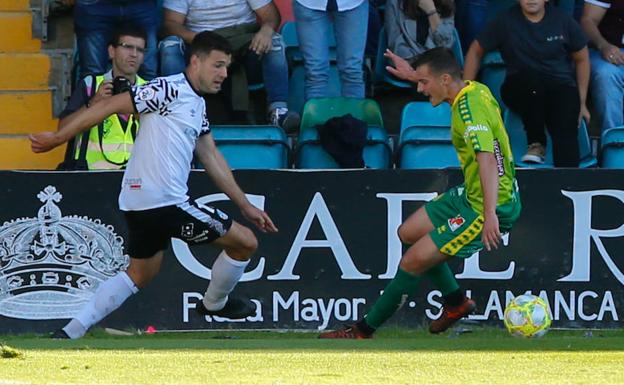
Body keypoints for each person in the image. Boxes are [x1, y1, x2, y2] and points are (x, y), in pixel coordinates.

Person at [30, 31, 279, 339]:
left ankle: (70, 332)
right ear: (195, 61)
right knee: (246, 243)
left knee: (139, 274)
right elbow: (112, 105)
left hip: (138, 203)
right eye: (217, 65)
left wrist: (244, 204)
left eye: (226, 67)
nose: (224, 75)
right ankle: (214, 303)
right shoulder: (166, 89)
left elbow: (210, 155)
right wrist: (57, 138)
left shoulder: (196, 105)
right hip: (165, 202)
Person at [319, 47, 521, 339]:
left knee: (412, 261)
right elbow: (442, 76)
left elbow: (487, 158)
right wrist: (416, 72)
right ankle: (456, 303)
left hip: (490, 203)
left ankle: (362, 330)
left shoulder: (469, 110)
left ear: (446, 79)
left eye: (424, 82)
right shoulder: (474, 89)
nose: (420, 89)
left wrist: (489, 214)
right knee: (408, 233)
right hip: (472, 193)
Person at [463, 0, 590, 167]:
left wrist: (581, 102)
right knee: (531, 80)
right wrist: (466, 91)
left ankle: (568, 178)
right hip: (520, 86)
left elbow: (582, 59)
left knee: (566, 109)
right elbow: (475, 51)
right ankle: (536, 144)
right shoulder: (504, 21)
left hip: (559, 87)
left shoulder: (563, 20)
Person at [159, 0, 300, 131]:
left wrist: (266, 31)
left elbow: (271, 16)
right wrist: (203, 41)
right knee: (170, 46)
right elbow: (171, 24)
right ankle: (178, 114)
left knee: (274, 41)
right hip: (200, 45)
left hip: (244, 44)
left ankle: (278, 112)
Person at [59, 24, 148, 170]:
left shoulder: (150, 90)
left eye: (140, 49)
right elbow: (63, 129)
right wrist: (93, 102)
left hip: (136, 180)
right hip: (91, 177)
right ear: (111, 51)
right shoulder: (91, 85)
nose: (134, 54)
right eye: (127, 46)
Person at [293, 0, 369, 100]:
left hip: (353, 3)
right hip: (309, 4)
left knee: (352, 71)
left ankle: (353, 115)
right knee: (315, 73)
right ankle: (316, 115)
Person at [66, 0, 158, 80]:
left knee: (147, 71)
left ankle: (142, 100)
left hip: (142, 4)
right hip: (94, 5)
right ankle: (95, 100)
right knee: (93, 73)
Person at [580, 0, 624, 133]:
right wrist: (603, 45)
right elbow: (588, 20)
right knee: (606, 74)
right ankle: (615, 142)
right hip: (608, 49)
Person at [385, 0, 456, 61]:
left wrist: (431, 11)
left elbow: (445, 45)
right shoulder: (395, 2)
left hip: (437, 66)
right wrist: (420, 64)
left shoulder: (446, 2)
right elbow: (396, 46)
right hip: (407, 64)